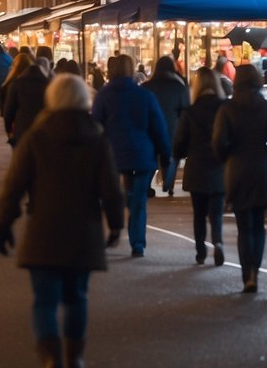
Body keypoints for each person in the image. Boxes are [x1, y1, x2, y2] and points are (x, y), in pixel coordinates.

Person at [0, 74, 123, 368]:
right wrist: (116, 223)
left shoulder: (36, 137)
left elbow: (15, 186)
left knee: (44, 301)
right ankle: (76, 362)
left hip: (43, 228)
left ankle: (50, 360)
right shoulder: (97, 138)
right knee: (77, 297)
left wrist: (3, 223)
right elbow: (110, 187)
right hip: (83, 228)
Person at [213, 65, 267, 292]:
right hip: (262, 169)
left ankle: (247, 274)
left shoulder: (227, 109)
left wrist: (227, 157)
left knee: (244, 227)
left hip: (237, 168)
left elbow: (218, 142)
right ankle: (255, 269)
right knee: (259, 226)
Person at [92, 54, 170, 257]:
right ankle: (138, 243)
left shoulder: (103, 95)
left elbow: (95, 127)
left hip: (114, 155)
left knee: (116, 193)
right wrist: (166, 154)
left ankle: (114, 229)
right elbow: (158, 127)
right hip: (143, 154)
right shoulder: (144, 95)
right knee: (140, 200)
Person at [173, 67, 227, 266]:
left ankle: (200, 251)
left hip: (197, 167)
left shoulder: (191, 111)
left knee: (199, 214)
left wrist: (179, 155)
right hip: (219, 166)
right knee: (216, 213)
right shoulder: (224, 107)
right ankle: (218, 242)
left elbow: (179, 141)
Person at [142, 55, 191, 197]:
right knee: (170, 156)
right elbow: (185, 110)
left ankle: (148, 185)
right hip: (172, 126)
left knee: (152, 156)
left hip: (150, 127)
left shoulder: (147, 86)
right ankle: (168, 185)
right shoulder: (179, 86)